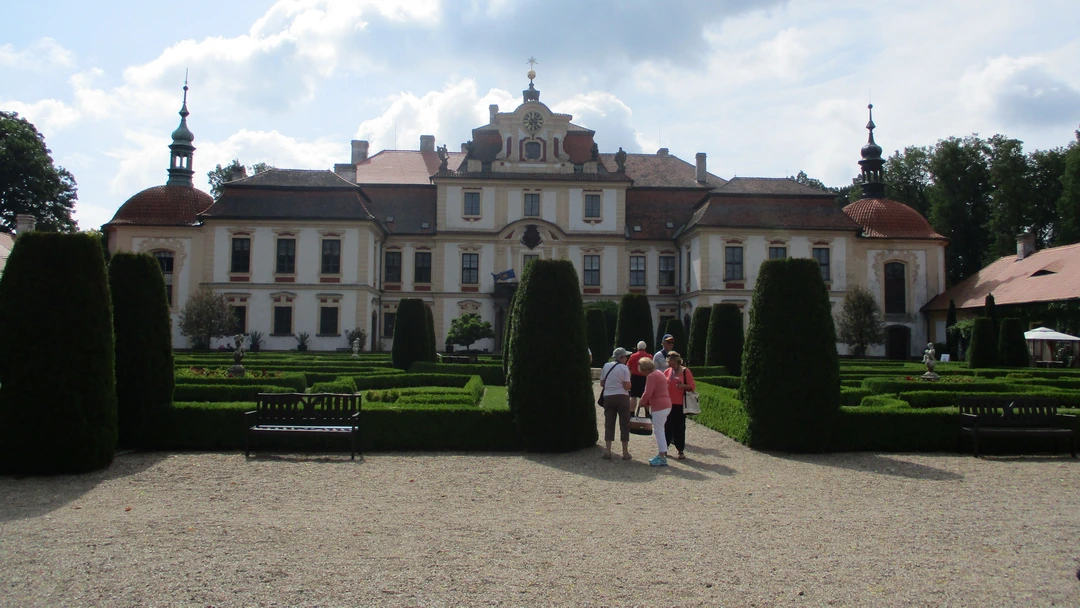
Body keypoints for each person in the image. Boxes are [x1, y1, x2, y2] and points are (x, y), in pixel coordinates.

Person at [599, 347, 633, 460]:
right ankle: (625, 452)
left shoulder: (606, 366)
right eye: (625, 357)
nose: (626, 359)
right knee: (624, 423)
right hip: (622, 397)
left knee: (609, 423)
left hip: (608, 396)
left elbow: (602, 383)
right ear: (621, 357)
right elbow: (627, 386)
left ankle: (608, 450)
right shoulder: (624, 368)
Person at [636, 357, 672, 466]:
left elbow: (648, 392)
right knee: (660, 430)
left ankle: (662, 457)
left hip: (659, 406)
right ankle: (662, 453)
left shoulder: (651, 376)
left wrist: (642, 402)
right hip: (666, 404)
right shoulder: (658, 373)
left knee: (659, 431)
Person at [663, 351, 695, 460]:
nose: (672, 366)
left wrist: (682, 386)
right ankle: (665, 448)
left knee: (679, 427)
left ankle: (680, 449)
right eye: (670, 364)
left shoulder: (686, 372)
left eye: (673, 364)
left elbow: (692, 386)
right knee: (667, 426)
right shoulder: (667, 371)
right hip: (668, 403)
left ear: (678, 362)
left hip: (680, 404)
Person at [627, 341, 650, 411]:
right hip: (645, 377)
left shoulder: (633, 356)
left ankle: (632, 412)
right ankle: (647, 412)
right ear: (645, 347)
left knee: (633, 396)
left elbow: (628, 367)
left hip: (634, 378)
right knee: (646, 395)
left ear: (637, 347)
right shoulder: (649, 356)